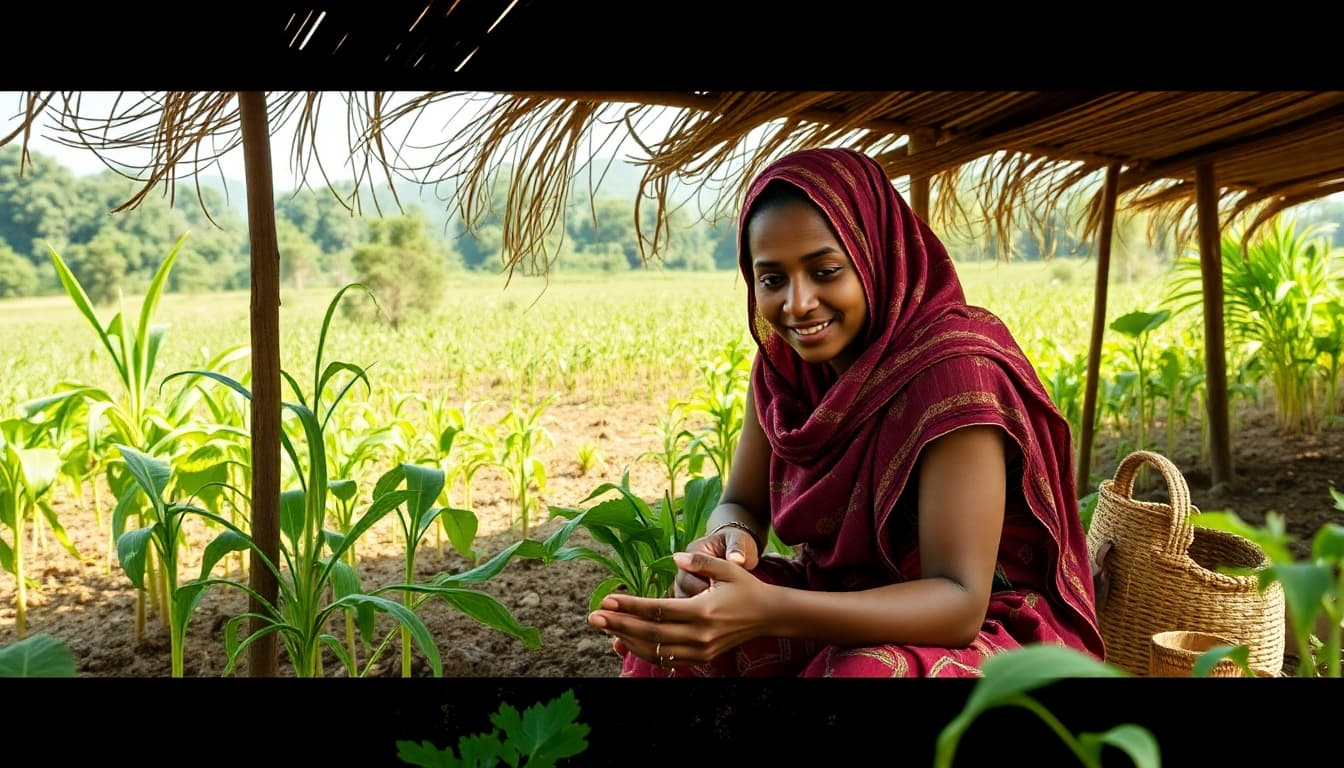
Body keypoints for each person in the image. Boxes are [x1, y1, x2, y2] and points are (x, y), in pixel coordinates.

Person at [587, 146, 1105, 677]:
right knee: (676, 650)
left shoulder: (954, 374)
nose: (797, 303)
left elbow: (959, 606)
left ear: (876, 256)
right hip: (837, 596)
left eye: (826, 270)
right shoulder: (783, 371)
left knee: (863, 673)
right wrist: (725, 545)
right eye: (772, 279)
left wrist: (768, 610)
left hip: (989, 627)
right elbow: (741, 502)